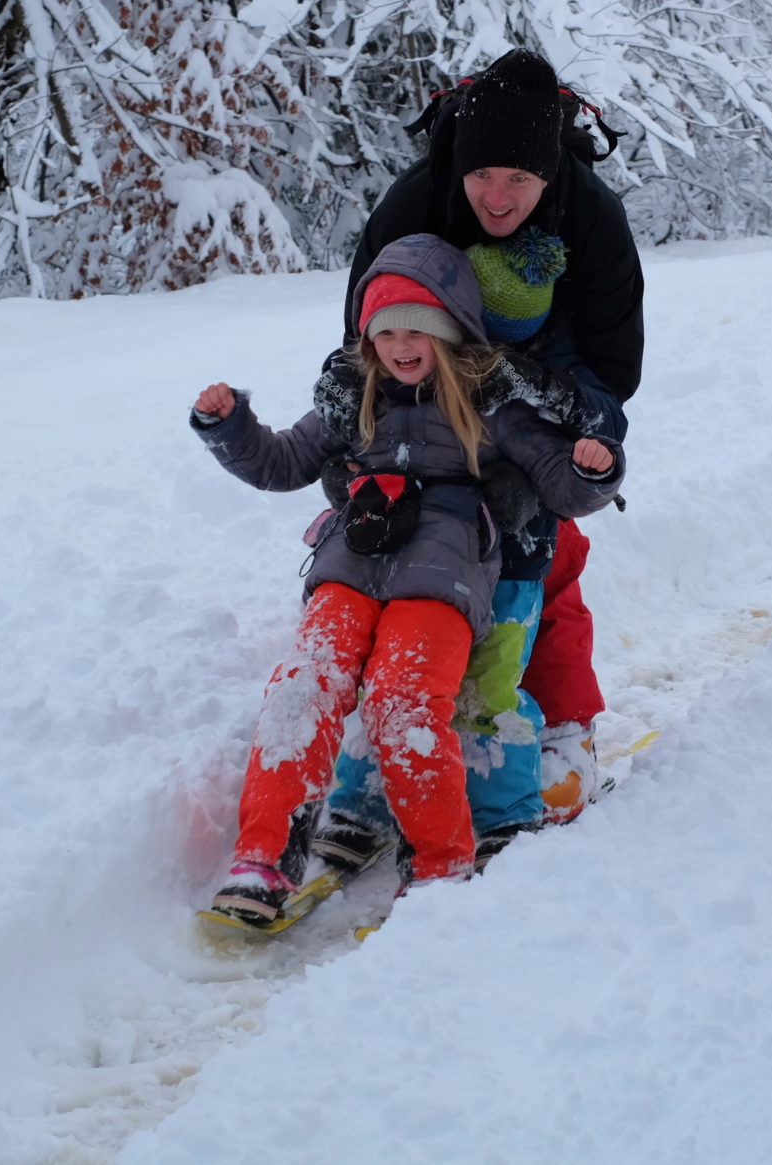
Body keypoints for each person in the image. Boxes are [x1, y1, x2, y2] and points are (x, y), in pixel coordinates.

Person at [191, 234, 625, 927]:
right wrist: (229, 426)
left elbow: (557, 483)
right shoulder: (351, 395)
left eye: (417, 329)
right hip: (351, 562)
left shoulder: (488, 403)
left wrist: (593, 467)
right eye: (386, 329)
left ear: (449, 328)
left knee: (402, 698)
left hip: (444, 574)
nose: (400, 345)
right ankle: (263, 856)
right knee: (305, 684)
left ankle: (439, 860)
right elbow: (280, 462)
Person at [326, 47, 646, 838]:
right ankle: (393, 725)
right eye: (482, 176)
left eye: (520, 180)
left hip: (549, 384)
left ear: (549, 178)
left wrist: (547, 411)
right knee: (402, 560)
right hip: (429, 385)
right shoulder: (416, 202)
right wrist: (356, 443)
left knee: (543, 552)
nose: (497, 197)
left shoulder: (593, 220)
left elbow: (616, 372)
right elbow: (362, 337)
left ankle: (562, 722)